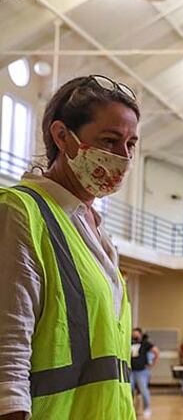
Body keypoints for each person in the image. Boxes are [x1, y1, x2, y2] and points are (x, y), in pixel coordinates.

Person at [0, 75, 140, 420]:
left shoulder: (95, 232)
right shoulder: (20, 211)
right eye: (110, 141)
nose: (123, 156)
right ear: (62, 136)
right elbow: (8, 351)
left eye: (131, 144)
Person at [131, 328, 160, 419]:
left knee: (143, 390)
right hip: (131, 371)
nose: (135, 336)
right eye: (133, 334)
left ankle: (147, 409)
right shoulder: (129, 343)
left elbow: (156, 352)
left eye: (136, 334)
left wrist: (152, 364)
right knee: (129, 390)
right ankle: (131, 409)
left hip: (141, 371)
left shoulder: (145, 344)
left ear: (140, 334)